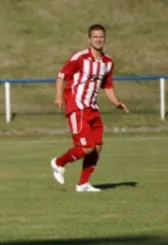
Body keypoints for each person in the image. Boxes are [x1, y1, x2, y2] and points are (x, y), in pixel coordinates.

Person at [50, 24, 129, 192]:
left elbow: (107, 86)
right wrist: (58, 97)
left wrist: (116, 103)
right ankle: (58, 162)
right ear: (89, 39)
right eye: (95, 37)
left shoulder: (108, 62)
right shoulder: (80, 58)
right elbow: (61, 75)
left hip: (92, 108)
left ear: (105, 39)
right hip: (77, 107)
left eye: (101, 37)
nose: (99, 40)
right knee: (87, 147)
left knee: (98, 145)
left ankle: (83, 184)